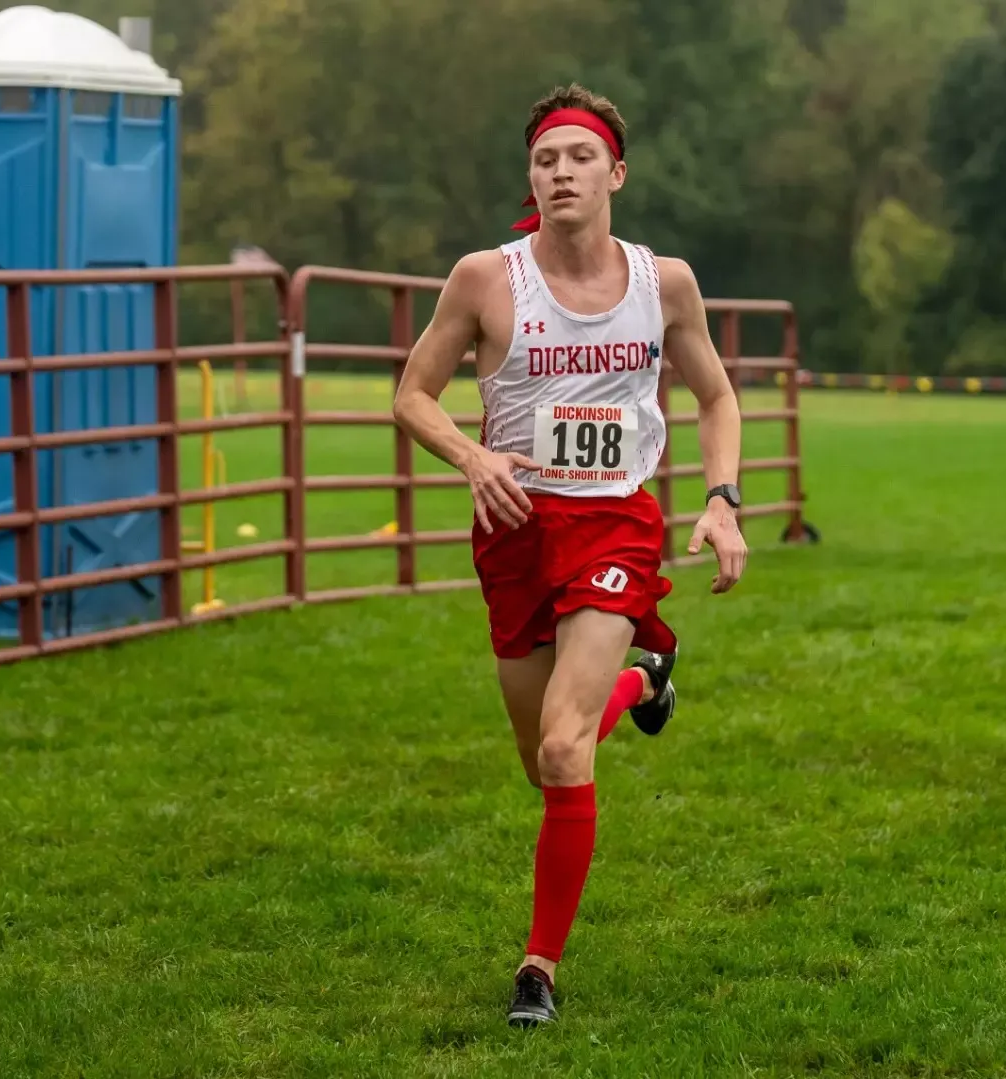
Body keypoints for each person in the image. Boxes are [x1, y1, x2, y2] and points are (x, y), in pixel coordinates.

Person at [392, 83, 748, 1028]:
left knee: (562, 744)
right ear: (532, 178)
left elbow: (716, 397)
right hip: (515, 530)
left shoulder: (662, 283)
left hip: (614, 525)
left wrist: (720, 500)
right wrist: (471, 455)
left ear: (615, 173)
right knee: (544, 760)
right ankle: (647, 682)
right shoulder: (484, 278)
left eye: (579, 157)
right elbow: (412, 395)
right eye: (546, 159)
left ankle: (539, 968)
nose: (561, 172)